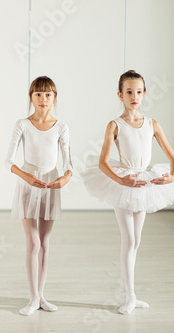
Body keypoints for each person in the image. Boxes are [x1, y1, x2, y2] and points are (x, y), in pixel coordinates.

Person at [81, 70, 174, 315]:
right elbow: (103, 163)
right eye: (129, 92)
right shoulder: (115, 125)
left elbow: (171, 155)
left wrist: (172, 176)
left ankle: (127, 293)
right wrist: (121, 181)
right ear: (120, 95)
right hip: (124, 182)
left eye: (139, 92)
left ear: (144, 94)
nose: (135, 96)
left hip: (144, 182)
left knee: (137, 240)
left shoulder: (152, 124)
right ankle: (129, 295)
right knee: (129, 239)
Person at [5, 76, 72, 316]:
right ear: (31, 97)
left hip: (50, 186)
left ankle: (42, 296)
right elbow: (9, 161)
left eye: (48, 95)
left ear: (54, 98)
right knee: (32, 242)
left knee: (45, 243)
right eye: (38, 94)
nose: (43, 99)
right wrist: (26, 176)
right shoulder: (22, 124)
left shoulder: (61, 126)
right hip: (28, 185)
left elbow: (68, 163)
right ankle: (33, 298)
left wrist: (64, 178)